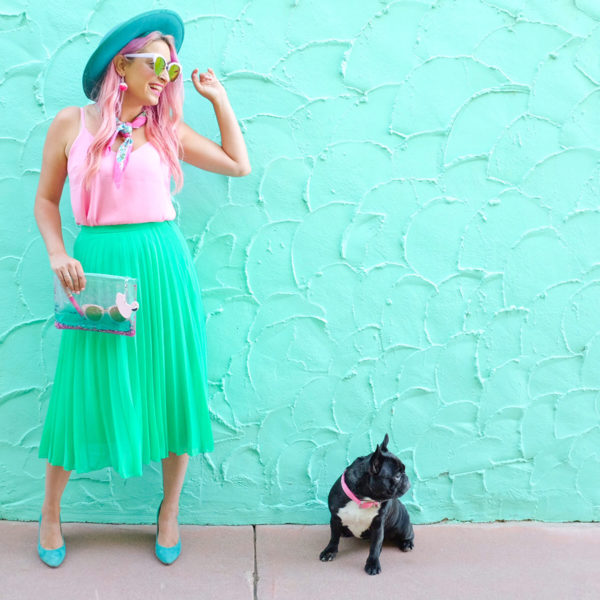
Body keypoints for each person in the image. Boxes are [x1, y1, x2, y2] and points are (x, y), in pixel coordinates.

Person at [33, 9, 250, 567]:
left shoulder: (165, 130)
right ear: (120, 65)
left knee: (172, 380)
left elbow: (236, 164)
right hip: (98, 265)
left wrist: (217, 99)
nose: (165, 74)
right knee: (82, 385)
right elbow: (45, 201)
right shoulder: (70, 125)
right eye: (156, 61)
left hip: (162, 264)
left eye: (171, 67)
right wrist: (58, 253)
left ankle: (169, 510)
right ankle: (51, 513)